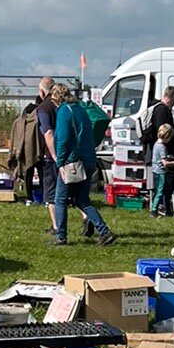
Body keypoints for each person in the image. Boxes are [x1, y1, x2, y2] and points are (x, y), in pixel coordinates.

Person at [50, 84, 113, 246]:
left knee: (60, 199)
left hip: (72, 161)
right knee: (82, 200)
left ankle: (61, 236)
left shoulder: (64, 111)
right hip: (89, 159)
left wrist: (60, 162)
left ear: (57, 98)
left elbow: (63, 139)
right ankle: (104, 232)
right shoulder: (80, 109)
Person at [33, 75, 60, 218]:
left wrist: (54, 155)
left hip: (52, 155)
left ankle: (57, 227)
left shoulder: (43, 108)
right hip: (69, 151)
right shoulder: (61, 103)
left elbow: (48, 133)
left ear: (42, 91)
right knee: (73, 192)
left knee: (51, 194)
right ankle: (87, 218)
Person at [150, 123, 174, 217]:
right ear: (167, 136)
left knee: (158, 191)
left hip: (155, 170)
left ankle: (161, 210)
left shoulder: (156, 144)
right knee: (160, 192)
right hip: (161, 172)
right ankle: (154, 211)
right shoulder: (162, 147)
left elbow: (160, 158)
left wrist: (169, 157)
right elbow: (165, 163)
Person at [142, 84, 174, 159]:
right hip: (162, 153)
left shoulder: (160, 108)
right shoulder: (162, 110)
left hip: (158, 150)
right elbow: (163, 132)